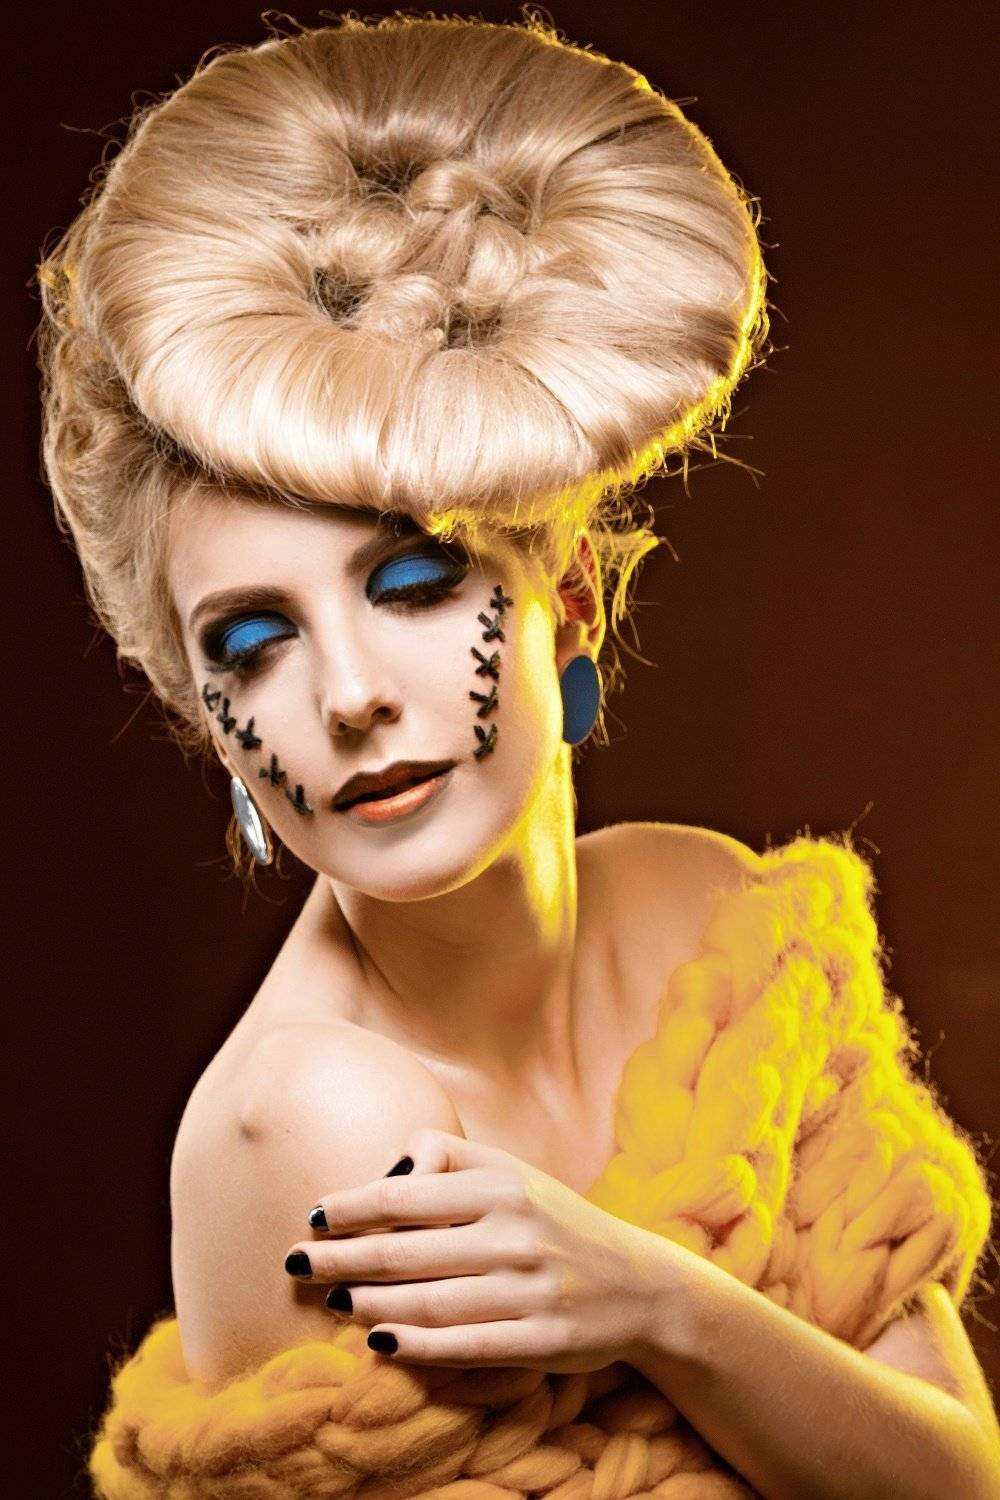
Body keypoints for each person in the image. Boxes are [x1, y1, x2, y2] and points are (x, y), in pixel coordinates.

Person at [36, 12, 999, 1497]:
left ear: (573, 597)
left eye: (414, 583)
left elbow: (953, 1477)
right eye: (252, 643)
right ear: (205, 712)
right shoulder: (309, 1117)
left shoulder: (713, 920)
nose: (348, 696)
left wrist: (657, 1305)